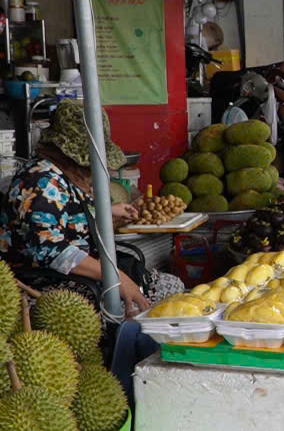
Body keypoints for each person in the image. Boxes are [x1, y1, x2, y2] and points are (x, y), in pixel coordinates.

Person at [0, 100, 184, 315]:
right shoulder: (40, 181)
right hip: (44, 282)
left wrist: (107, 210)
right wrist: (115, 277)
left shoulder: (63, 174)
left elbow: (68, 208)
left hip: (84, 273)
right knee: (147, 303)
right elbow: (50, 250)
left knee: (172, 287)